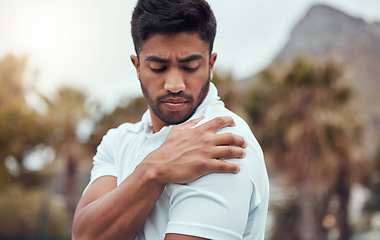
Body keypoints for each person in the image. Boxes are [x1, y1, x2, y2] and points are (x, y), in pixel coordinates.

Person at [72, 0, 269, 239]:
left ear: (210, 64)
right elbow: (84, 235)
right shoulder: (118, 140)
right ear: (137, 67)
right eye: (158, 67)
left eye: (190, 66)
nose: (174, 85)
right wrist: (153, 170)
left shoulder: (221, 142)